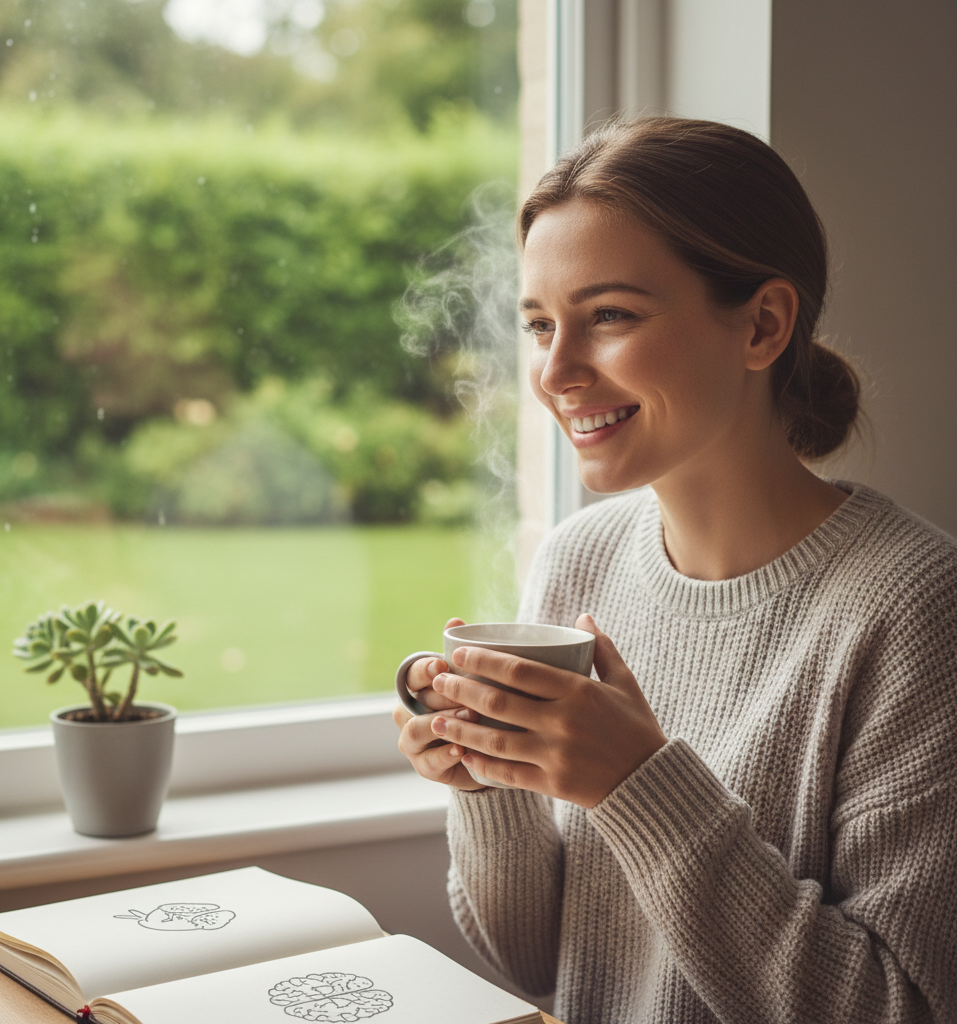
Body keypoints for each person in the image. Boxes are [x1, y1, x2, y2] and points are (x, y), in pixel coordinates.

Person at [392, 117, 957, 1024]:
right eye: (540, 325)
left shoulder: (915, 608)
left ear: (764, 325)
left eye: (609, 316)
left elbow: (898, 1008)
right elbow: (535, 958)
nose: (557, 371)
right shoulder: (581, 558)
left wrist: (638, 784)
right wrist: (485, 776)